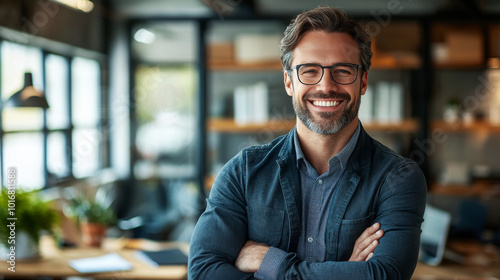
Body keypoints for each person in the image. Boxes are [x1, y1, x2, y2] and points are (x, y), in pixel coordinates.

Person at [189, 6, 427, 280]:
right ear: (289, 82)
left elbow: (384, 276)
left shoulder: (398, 178)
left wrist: (272, 262)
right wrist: (347, 270)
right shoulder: (243, 173)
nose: (326, 86)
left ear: (362, 81)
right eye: (309, 71)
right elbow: (204, 271)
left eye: (343, 70)